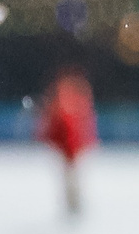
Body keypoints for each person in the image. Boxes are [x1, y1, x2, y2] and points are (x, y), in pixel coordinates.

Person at [37, 67, 100, 217]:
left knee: (71, 177)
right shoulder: (66, 106)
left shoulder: (70, 107)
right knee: (71, 177)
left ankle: (74, 204)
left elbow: (69, 130)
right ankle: (73, 204)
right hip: (70, 148)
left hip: (71, 149)